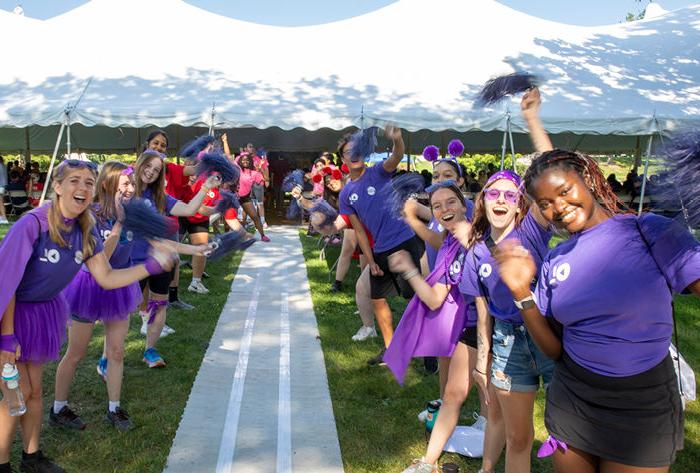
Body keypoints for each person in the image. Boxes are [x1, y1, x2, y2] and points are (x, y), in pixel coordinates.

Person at [495, 148, 700, 473]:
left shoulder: (649, 231)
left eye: (564, 192)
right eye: (545, 204)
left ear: (588, 179)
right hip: (574, 400)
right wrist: (522, 293)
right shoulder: (555, 259)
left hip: (643, 404)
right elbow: (553, 350)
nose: (558, 208)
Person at [0, 159, 175, 473]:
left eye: (88, 182)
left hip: (42, 311)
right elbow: (6, 282)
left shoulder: (85, 229)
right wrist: (7, 336)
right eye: (74, 181)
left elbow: (106, 277)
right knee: (17, 393)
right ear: (57, 186)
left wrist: (150, 267)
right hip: (10, 314)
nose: (82, 188)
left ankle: (31, 457)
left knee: (35, 391)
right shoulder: (33, 224)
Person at [386, 182, 482, 473]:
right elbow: (434, 298)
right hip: (471, 329)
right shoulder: (450, 244)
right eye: (437, 206)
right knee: (454, 394)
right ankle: (428, 464)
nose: (444, 210)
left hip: (498, 330)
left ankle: (489, 462)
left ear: (464, 205)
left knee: (498, 405)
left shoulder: (483, 238)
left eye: (450, 202)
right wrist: (410, 270)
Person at [51, 162, 141, 432]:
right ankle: (58, 408)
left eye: (132, 184)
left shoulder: (131, 213)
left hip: (119, 287)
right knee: (76, 353)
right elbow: (106, 255)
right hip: (88, 287)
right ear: (108, 185)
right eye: (125, 184)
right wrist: (119, 224)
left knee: (116, 351)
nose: (130, 189)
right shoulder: (90, 215)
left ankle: (114, 408)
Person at [338, 125, 425, 366]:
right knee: (377, 299)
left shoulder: (378, 172)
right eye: (347, 152)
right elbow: (358, 231)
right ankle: (390, 350)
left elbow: (397, 156)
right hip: (380, 249)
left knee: (413, 297)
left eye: (356, 150)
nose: (353, 154)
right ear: (343, 158)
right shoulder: (346, 194)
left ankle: (428, 349)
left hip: (404, 241)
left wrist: (397, 140)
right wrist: (371, 258)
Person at [132, 150, 220, 368]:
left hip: (161, 260)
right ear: (139, 164)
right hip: (132, 262)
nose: (151, 172)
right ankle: (108, 355)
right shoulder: (126, 190)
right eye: (148, 167)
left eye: (156, 170)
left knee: (159, 304)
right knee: (123, 311)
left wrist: (206, 187)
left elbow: (189, 208)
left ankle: (150, 350)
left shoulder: (160, 197)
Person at [145, 129, 197, 312]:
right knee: (146, 266)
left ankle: (171, 298)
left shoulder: (170, 168)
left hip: (168, 222)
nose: (159, 147)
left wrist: (210, 160)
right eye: (156, 143)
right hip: (145, 225)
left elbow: (191, 169)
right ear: (147, 145)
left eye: (163, 145)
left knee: (171, 260)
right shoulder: (138, 169)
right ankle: (145, 311)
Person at [236, 153, 270, 242]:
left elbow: (266, 180)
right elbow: (228, 156)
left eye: (247, 160)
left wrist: (261, 169)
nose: (245, 161)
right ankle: (230, 238)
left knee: (255, 217)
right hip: (234, 198)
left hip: (245, 198)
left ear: (250, 162)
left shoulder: (254, 173)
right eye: (243, 159)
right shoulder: (237, 170)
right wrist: (225, 141)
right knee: (237, 219)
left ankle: (263, 235)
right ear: (240, 161)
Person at [0, 156, 8, 224]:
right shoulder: (4, 166)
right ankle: (2, 217)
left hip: (0, 185)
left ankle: (4, 218)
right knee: (1, 202)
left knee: (0, 202)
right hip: (3, 186)